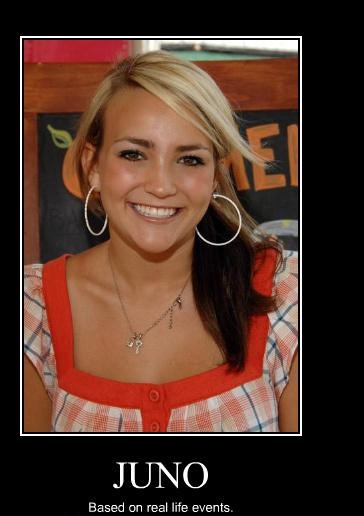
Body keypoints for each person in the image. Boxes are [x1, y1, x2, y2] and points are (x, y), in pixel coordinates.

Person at [24, 51, 298, 433]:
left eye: (189, 160)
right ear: (93, 165)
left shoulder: (283, 295)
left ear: (216, 176)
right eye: (133, 154)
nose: (161, 185)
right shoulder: (33, 311)